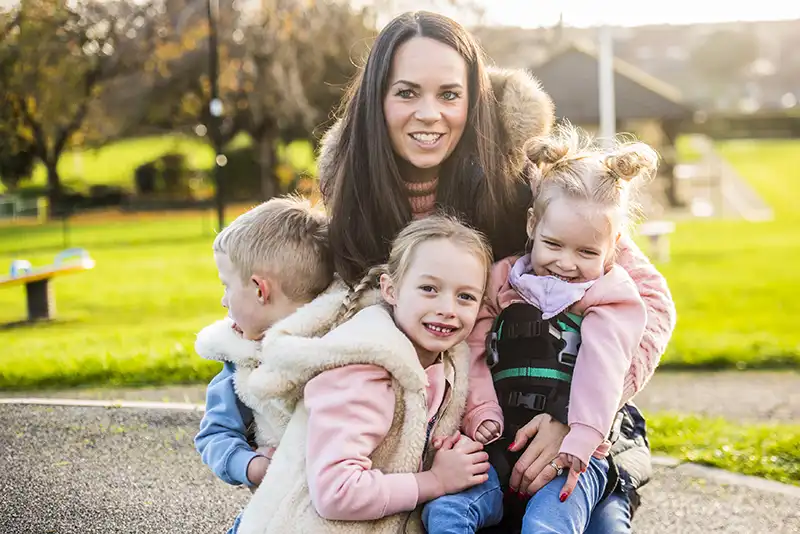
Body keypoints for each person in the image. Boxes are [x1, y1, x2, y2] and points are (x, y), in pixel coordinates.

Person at [316, 10, 676, 530]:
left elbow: (651, 303)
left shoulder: (520, 185)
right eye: (406, 92)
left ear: (472, 99)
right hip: (448, 440)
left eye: (448, 95)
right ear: (377, 100)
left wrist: (571, 420)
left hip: (562, 413)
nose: (428, 114)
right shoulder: (353, 197)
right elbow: (322, 316)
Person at [423, 124, 658, 533]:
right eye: (553, 245)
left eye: (586, 251)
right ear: (532, 225)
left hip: (577, 454)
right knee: (445, 513)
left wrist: (581, 436)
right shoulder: (501, 281)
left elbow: (603, 368)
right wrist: (481, 411)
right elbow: (472, 350)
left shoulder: (608, 294)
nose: (566, 263)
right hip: (499, 443)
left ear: (614, 244)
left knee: (547, 525)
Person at [233, 215, 498, 534]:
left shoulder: (445, 360)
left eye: (465, 296)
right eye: (429, 289)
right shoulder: (365, 369)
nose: (448, 308)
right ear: (391, 289)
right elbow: (337, 491)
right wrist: (435, 480)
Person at [193, 195, 334, 534]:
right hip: (276, 508)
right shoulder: (240, 357)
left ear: (259, 289)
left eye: (227, 286)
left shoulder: (335, 345)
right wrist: (253, 465)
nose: (223, 300)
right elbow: (215, 433)